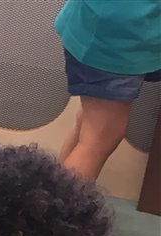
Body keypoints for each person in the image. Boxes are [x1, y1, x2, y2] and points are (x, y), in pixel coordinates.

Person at [55, 0, 161, 182]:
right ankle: (59, 200)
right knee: (98, 139)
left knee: (90, 129)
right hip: (117, 37)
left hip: (117, 31)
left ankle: (50, 195)